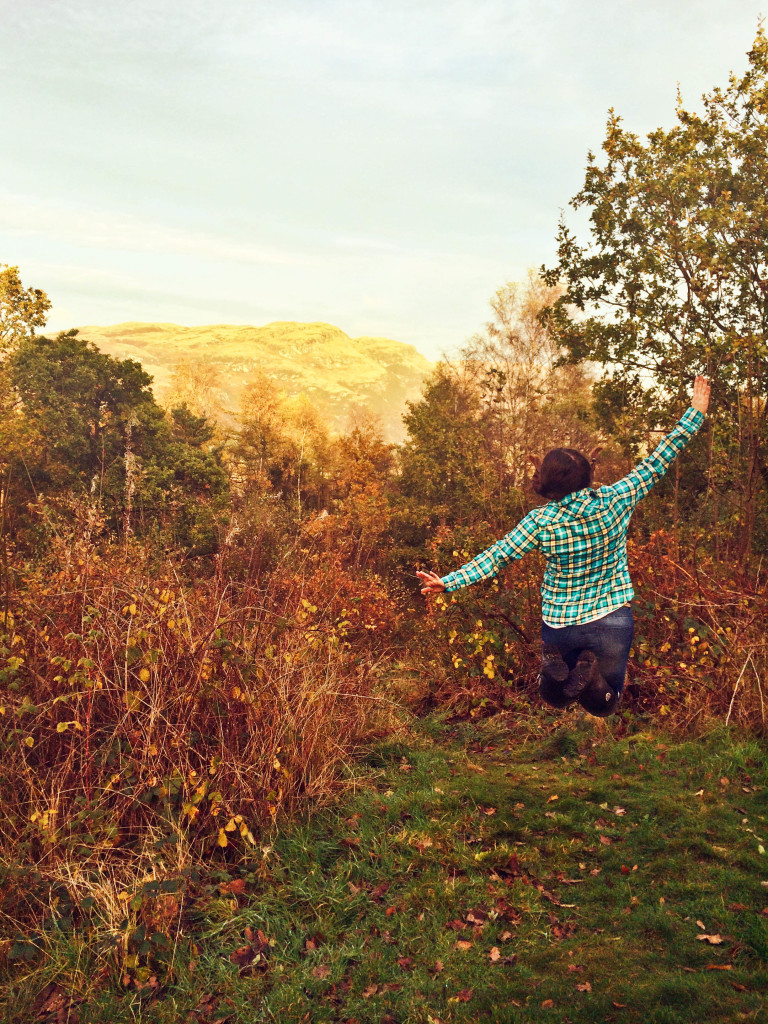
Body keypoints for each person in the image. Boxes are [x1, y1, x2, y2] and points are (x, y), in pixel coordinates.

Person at [417, 376, 711, 717]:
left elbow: (497, 556)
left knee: (555, 697)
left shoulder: (540, 521)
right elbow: (659, 460)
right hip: (613, 618)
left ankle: (555, 668)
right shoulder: (617, 498)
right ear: (588, 475)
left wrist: (448, 581)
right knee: (606, 703)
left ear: (546, 484)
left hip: (562, 622)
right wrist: (695, 412)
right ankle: (593, 679)